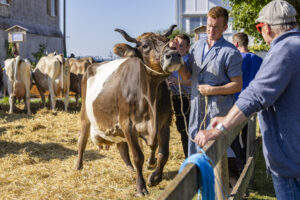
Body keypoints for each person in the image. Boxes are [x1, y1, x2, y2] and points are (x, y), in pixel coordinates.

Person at [195, 1, 300, 199]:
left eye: (259, 28)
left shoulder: (283, 50)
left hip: (292, 160)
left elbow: (255, 95)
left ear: (266, 27)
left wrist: (223, 125)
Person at [176, 6, 243, 156]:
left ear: (225, 27)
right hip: (196, 111)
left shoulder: (230, 52)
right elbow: (187, 75)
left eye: (216, 27)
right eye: (209, 26)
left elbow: (237, 85)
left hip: (217, 114)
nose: (211, 31)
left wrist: (212, 90)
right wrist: (178, 59)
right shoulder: (196, 47)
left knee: (219, 160)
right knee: (197, 158)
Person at [231, 32, 263, 172]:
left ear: (236, 44)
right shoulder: (258, 59)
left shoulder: (235, 59)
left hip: (236, 101)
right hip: (253, 103)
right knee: (248, 134)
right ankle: (246, 160)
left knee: (233, 136)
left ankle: (239, 163)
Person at [168, 34, 191, 158]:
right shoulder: (170, 60)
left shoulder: (189, 60)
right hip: (176, 99)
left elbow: (193, 81)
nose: (178, 49)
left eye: (181, 46)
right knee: (182, 130)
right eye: (176, 47)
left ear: (188, 48)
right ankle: (188, 158)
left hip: (189, 98)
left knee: (190, 131)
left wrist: (178, 82)